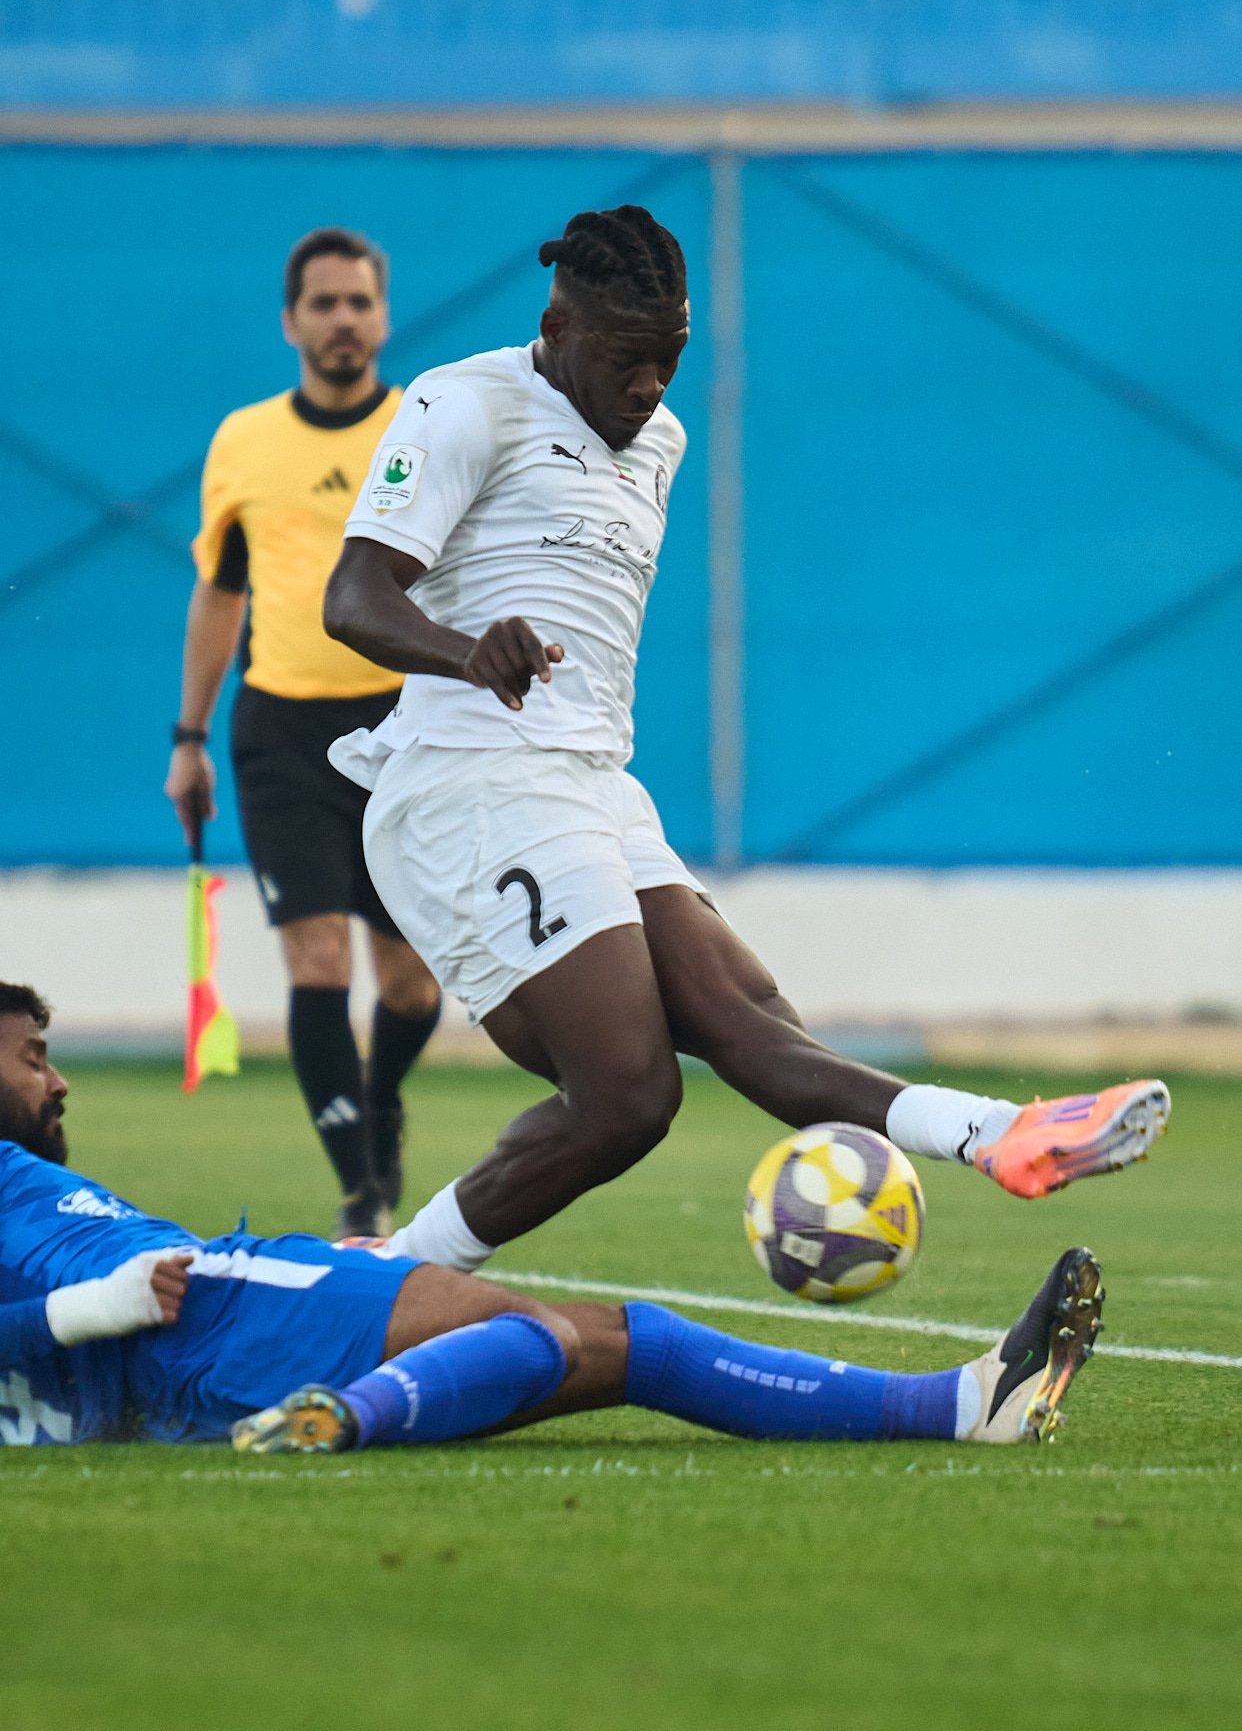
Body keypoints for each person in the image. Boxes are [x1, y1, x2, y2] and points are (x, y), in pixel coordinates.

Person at [321, 202, 1171, 1279]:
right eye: (627, 360)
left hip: (591, 785)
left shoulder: (661, 441)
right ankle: (390, 1280)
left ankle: (1002, 1133)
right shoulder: (464, 403)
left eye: (670, 358)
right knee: (626, 1096)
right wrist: (464, 649)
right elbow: (351, 598)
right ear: (558, 326)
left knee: (752, 1017)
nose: (649, 387)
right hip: (470, 784)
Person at [0, 982, 1103, 1453]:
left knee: (634, 1345)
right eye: (33, 1057)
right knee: (531, 1334)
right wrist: (93, 1308)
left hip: (209, 1326)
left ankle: (964, 1406)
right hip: (215, 1313)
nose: (57, 1081)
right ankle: (337, 1421)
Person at [164, 226, 442, 1238]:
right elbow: (220, 591)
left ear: (384, 316)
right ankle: (362, 1194)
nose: (342, 320)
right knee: (317, 962)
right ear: (291, 321)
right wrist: (187, 737)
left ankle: (380, 1095)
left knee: (412, 983)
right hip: (280, 732)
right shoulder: (243, 441)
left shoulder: (422, 428)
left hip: (407, 728)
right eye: (323, 304)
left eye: (358, 302)